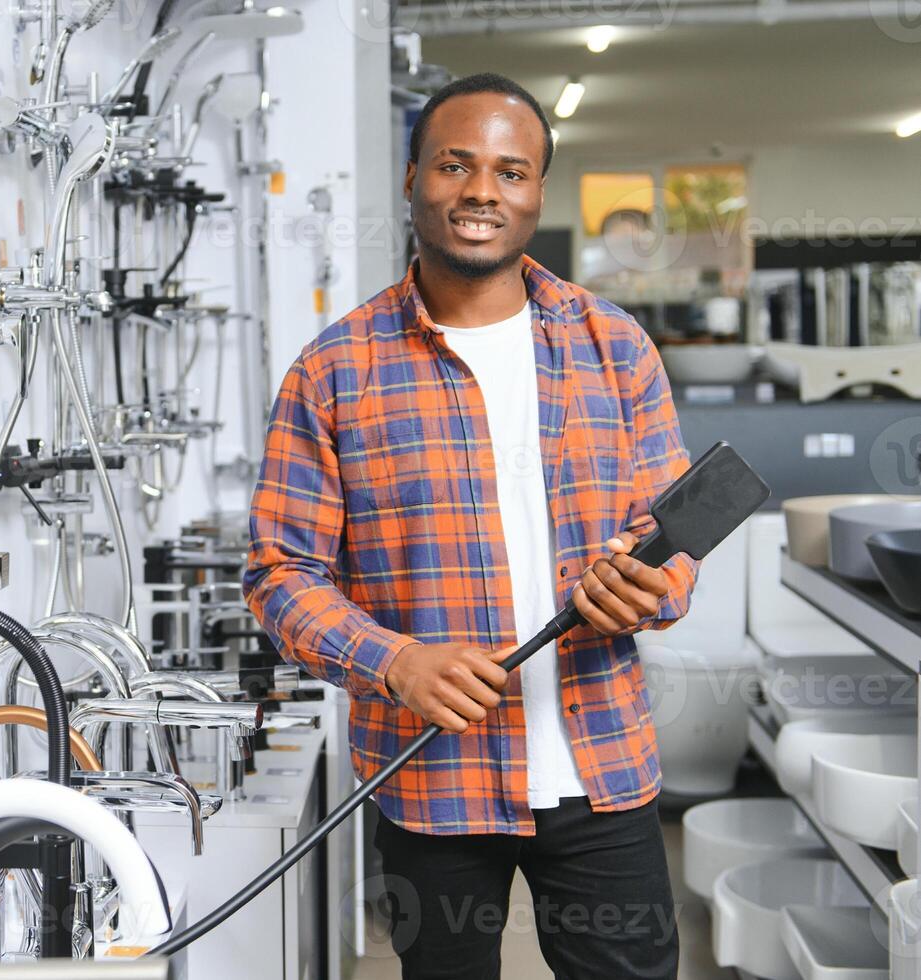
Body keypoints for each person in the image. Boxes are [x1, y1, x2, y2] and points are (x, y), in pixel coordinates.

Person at [243, 72, 697, 979]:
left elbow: (671, 538)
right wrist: (392, 661)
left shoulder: (614, 345)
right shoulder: (334, 370)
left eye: (511, 171)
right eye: (455, 164)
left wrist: (650, 588)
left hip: (601, 766)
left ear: (534, 194)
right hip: (430, 780)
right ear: (413, 178)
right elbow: (278, 571)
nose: (482, 190)